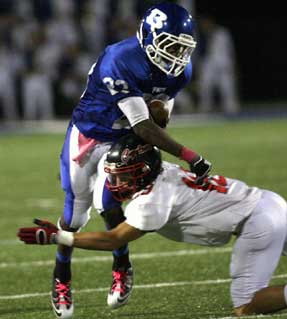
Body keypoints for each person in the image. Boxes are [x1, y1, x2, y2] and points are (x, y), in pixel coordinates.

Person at [18, 134, 287, 317]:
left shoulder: (153, 199)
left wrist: (59, 236)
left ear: (142, 173)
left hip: (255, 220)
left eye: (123, 175)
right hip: (265, 201)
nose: (116, 182)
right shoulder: (163, 174)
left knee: (245, 304)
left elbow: (113, 239)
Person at [43, 2, 211, 318]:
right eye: (171, 45)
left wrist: (162, 112)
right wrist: (189, 155)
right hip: (90, 133)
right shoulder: (119, 59)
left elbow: (157, 119)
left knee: (108, 204)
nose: (177, 55)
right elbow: (144, 125)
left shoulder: (180, 71)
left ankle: (122, 265)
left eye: (182, 47)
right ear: (150, 37)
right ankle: (61, 276)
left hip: (123, 138)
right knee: (75, 216)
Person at [196, 13, 240, 115]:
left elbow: (230, 49)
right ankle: (205, 106)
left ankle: (231, 107)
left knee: (226, 85)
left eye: (206, 23)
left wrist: (233, 64)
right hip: (209, 62)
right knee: (205, 84)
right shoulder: (202, 35)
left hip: (224, 62)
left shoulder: (222, 33)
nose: (204, 25)